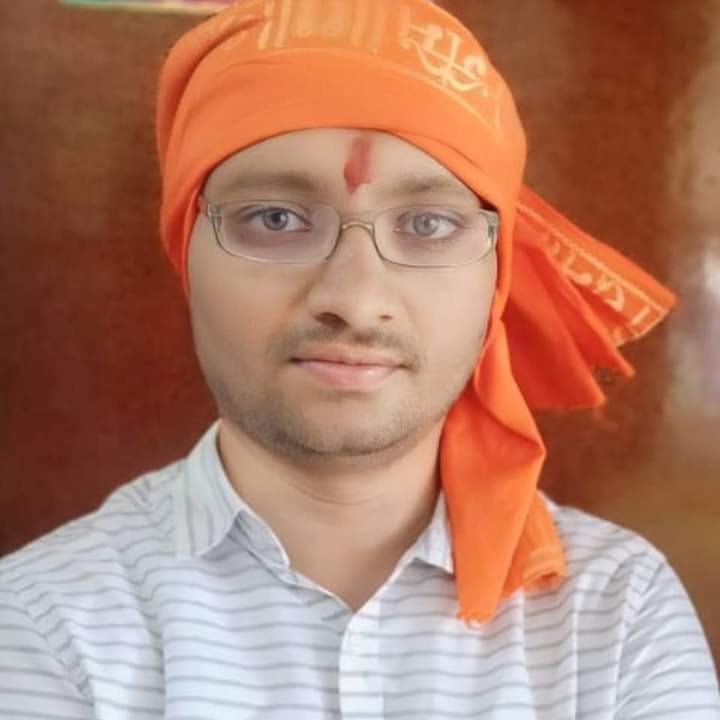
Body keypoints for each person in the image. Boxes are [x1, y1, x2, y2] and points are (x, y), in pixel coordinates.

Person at [1, 0, 718, 717]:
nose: (354, 298)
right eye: (276, 219)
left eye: (428, 224)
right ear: (186, 253)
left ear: (495, 279)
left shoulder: (615, 616)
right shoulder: (45, 626)